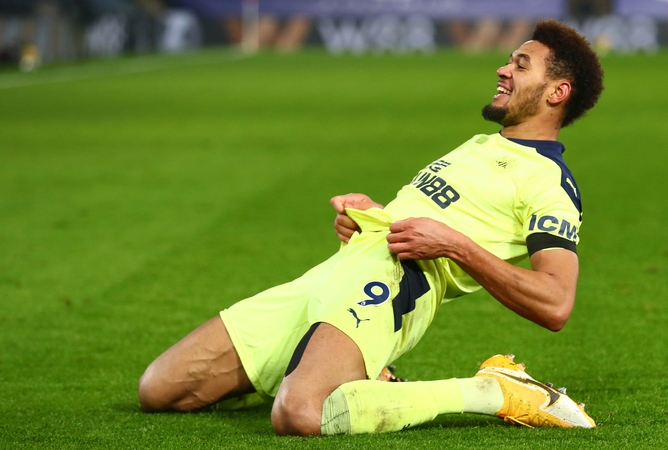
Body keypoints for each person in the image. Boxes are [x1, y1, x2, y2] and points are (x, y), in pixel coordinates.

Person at [137, 19, 605, 436]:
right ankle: (354, 376)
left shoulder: (550, 184)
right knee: (161, 389)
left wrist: (455, 246)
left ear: (557, 92)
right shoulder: (482, 144)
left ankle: (490, 391)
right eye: (508, 61)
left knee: (300, 413)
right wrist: (372, 217)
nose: (503, 70)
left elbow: (556, 301)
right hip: (340, 268)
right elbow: (435, 212)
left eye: (521, 66)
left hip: (397, 282)